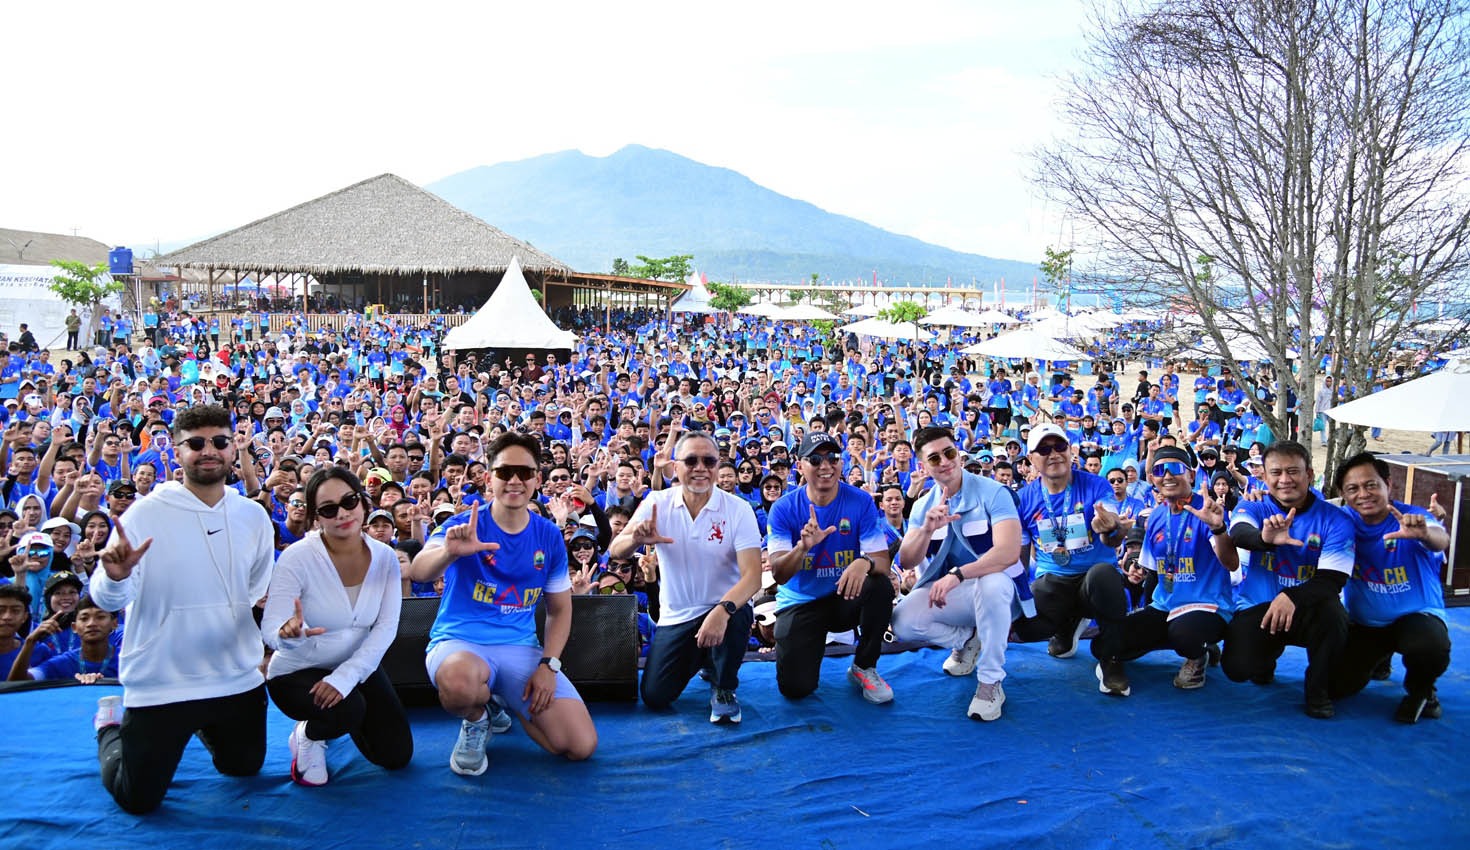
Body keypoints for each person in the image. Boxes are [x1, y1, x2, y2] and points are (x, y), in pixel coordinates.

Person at [88, 404, 276, 814]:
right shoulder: (144, 514)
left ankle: (202, 725)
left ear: (233, 449)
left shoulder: (252, 516)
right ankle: (109, 728)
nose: (209, 451)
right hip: (162, 680)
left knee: (243, 768)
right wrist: (116, 576)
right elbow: (107, 600)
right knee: (138, 800)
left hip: (234, 676)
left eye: (220, 442)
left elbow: (255, 588)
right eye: (196, 443)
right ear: (177, 452)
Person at [409, 432, 596, 777]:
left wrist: (548, 666)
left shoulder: (549, 535)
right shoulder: (463, 524)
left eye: (525, 472)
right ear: (488, 477)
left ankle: (503, 699)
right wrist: (449, 553)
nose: (515, 480)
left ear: (537, 479)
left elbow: (559, 610)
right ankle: (477, 717)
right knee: (461, 685)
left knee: (578, 746)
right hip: (460, 643)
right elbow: (420, 570)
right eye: (505, 471)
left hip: (518, 647)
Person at [260, 467, 412, 786]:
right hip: (297, 670)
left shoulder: (385, 557)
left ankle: (343, 711)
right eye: (329, 509)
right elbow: (272, 627)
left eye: (349, 501)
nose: (342, 513)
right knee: (347, 709)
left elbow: (386, 627)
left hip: (356, 665)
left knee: (396, 755)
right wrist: (288, 636)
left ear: (363, 502)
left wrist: (346, 677)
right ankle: (309, 734)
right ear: (316, 517)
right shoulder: (297, 557)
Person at [610, 427, 762, 723]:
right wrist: (636, 539)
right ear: (675, 466)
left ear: (718, 466)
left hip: (723, 608)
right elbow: (616, 550)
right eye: (691, 461)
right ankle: (706, 657)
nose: (700, 468)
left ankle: (724, 686)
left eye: (709, 461)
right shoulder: (657, 502)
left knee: (739, 611)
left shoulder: (738, 509)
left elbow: (753, 577)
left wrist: (722, 610)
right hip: (676, 616)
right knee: (655, 696)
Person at [891, 426, 1022, 720]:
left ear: (959, 454)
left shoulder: (994, 492)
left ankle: (990, 681)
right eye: (934, 458)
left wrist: (958, 574)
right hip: (958, 593)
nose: (944, 462)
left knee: (992, 583)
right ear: (923, 466)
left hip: (999, 589)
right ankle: (968, 640)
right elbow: (908, 560)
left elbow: (1008, 552)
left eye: (949, 452)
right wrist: (926, 530)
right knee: (903, 620)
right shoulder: (923, 505)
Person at [1224, 440, 1353, 718]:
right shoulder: (1255, 505)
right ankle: (1266, 659)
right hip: (1259, 607)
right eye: (1276, 472)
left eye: (1293, 471)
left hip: (1309, 609)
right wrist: (1264, 539)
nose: (1285, 480)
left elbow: (1332, 580)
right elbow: (1239, 534)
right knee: (1237, 669)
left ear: (1309, 474)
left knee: (1334, 617)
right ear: (1264, 476)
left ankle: (1317, 691)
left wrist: (1290, 597)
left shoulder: (1335, 520)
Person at [766, 433, 895, 704]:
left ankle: (864, 666)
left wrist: (865, 562)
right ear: (800, 466)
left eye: (832, 458)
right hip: (801, 603)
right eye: (815, 459)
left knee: (879, 585)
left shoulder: (860, 501)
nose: (825, 465)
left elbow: (882, 561)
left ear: (841, 462)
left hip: (843, 595)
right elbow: (779, 573)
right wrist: (802, 548)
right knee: (796, 689)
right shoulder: (783, 508)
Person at [1330, 452, 1452, 723]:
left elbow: (1440, 538)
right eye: (1353, 488)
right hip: (1366, 624)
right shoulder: (1340, 521)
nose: (1363, 494)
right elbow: (1306, 512)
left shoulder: (1412, 517)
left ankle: (1422, 691)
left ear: (1388, 484)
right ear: (1343, 494)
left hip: (1416, 617)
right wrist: (1260, 500)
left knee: (1429, 646)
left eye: (1371, 485)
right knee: (1332, 687)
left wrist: (1424, 534)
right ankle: (1380, 659)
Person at [1011, 424, 1130, 696]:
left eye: (1059, 446)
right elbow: (1019, 558)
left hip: (1094, 580)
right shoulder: (1024, 499)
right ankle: (1066, 627)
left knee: (1103, 575)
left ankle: (1111, 659)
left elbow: (1112, 531)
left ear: (1070, 450)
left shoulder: (1096, 484)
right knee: (1026, 624)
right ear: (1031, 459)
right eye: (1044, 449)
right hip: (1054, 580)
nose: (1054, 454)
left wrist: (1109, 526)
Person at [1119, 447, 1237, 690]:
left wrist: (1218, 529)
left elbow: (1231, 563)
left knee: (1183, 633)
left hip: (1206, 605)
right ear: (1152, 478)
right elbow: (1151, 570)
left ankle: (1198, 653)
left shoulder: (1206, 509)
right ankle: (1197, 644)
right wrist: (1132, 572)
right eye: (1160, 470)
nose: (1167, 475)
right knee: (1107, 643)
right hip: (1166, 606)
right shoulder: (1156, 516)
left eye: (1175, 468)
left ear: (1191, 475)